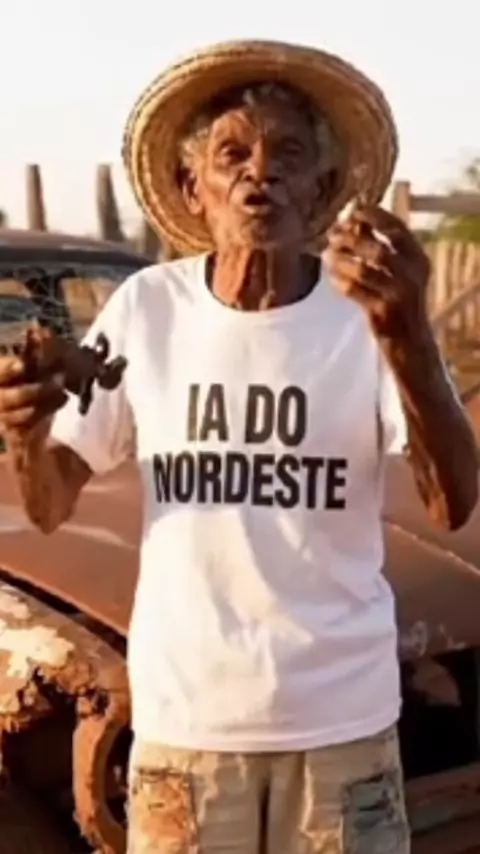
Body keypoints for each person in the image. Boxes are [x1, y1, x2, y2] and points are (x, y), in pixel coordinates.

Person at [0, 39, 477, 854]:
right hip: (187, 730)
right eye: (233, 155)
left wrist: (410, 341)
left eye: (289, 155)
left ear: (322, 189)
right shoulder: (149, 309)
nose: (261, 173)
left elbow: (452, 502)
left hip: (342, 729)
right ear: (195, 188)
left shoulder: (368, 316)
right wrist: (25, 432)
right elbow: (49, 505)